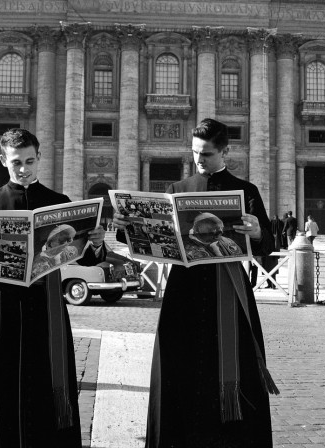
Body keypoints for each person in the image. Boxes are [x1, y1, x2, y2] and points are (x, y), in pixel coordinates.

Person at [114, 118, 278, 447]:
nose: (198, 160)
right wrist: (125, 225)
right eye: (194, 152)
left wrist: (258, 232)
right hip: (184, 291)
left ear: (225, 151)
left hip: (227, 288)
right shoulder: (177, 190)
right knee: (179, 367)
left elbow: (268, 247)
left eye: (206, 154)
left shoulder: (246, 192)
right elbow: (152, 240)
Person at [0, 129, 106, 448]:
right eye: (16, 162)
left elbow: (86, 258)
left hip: (42, 304)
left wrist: (97, 244)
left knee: (41, 380)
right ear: (4, 160)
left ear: (39, 158)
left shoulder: (59, 203)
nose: (24, 169)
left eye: (30, 161)